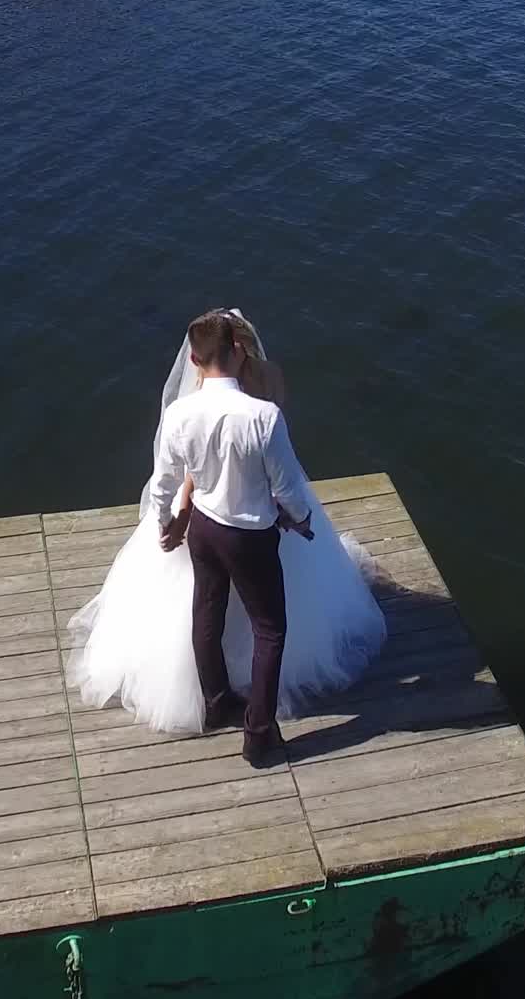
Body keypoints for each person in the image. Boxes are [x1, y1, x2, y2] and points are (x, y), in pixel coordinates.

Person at [67, 309, 387, 766]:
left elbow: (163, 481)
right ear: (238, 351)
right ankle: (258, 734)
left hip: (202, 528)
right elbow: (287, 485)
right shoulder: (263, 417)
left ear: (195, 361)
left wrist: (168, 522)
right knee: (270, 630)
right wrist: (299, 519)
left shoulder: (179, 414)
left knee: (207, 611)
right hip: (249, 534)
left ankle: (215, 702)